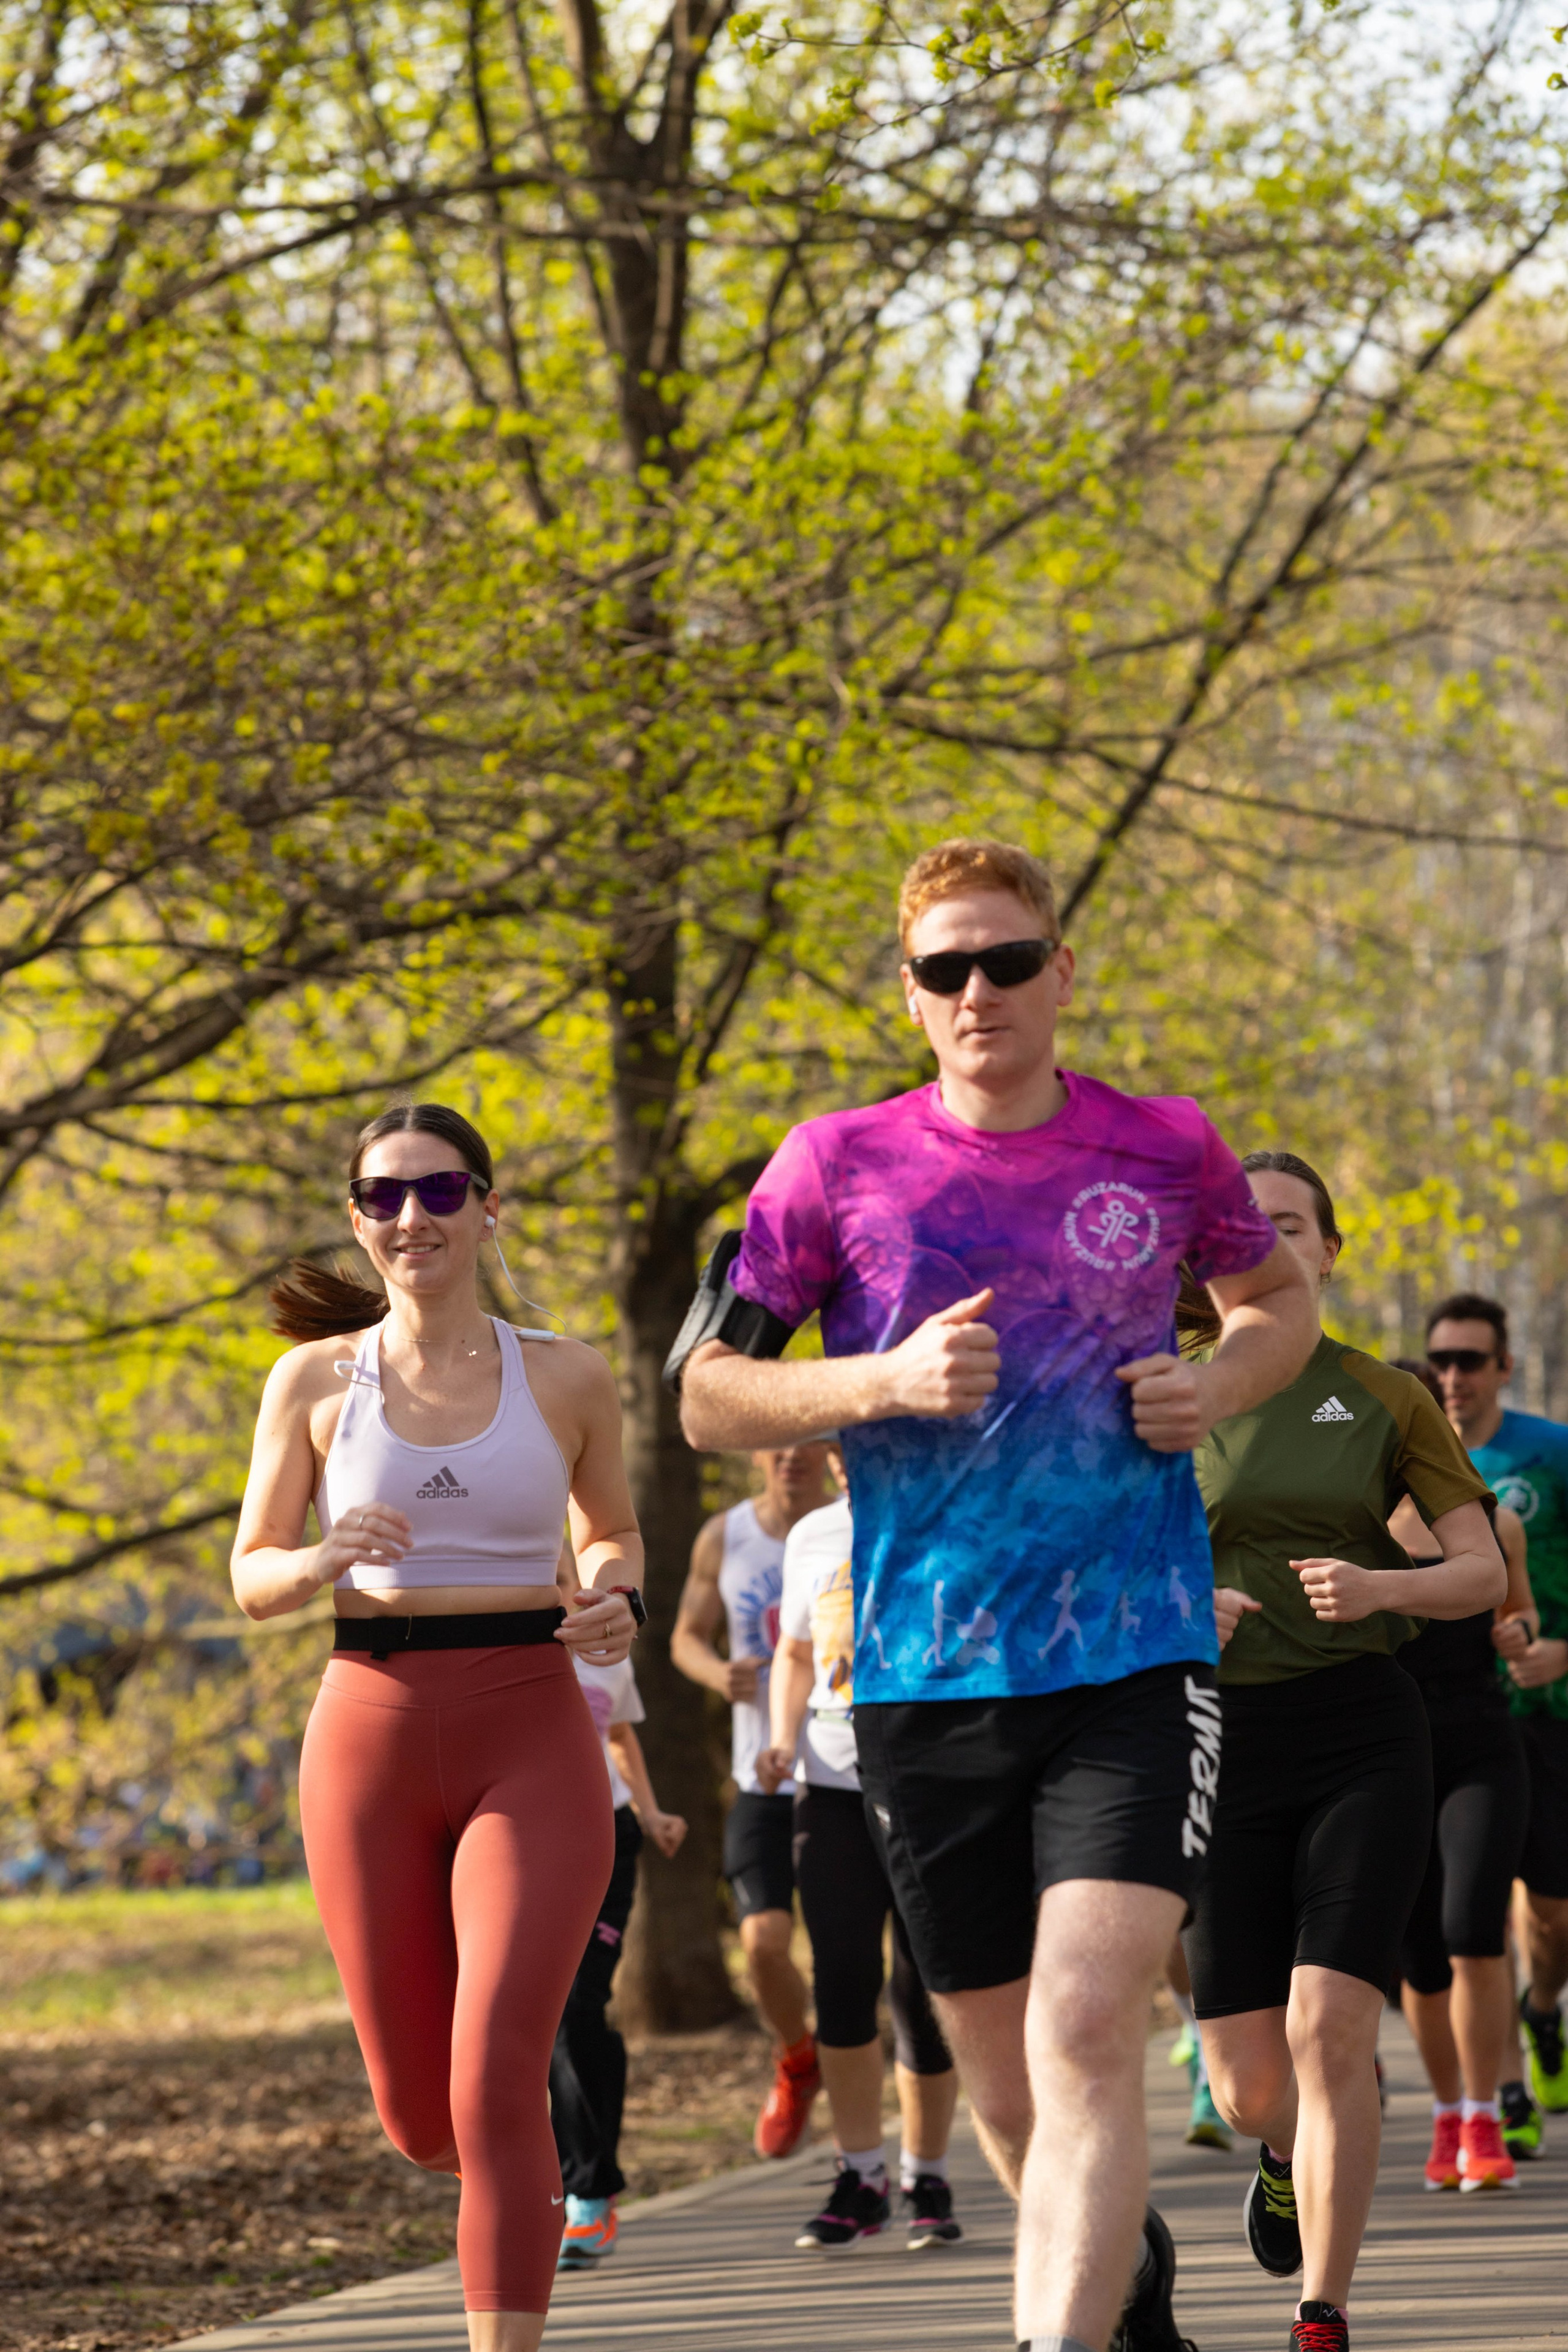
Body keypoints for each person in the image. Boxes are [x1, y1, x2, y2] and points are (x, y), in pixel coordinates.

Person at [674, 835, 1319, 2352]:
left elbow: (1274, 1300)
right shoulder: (829, 1162)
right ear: (909, 996)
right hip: (916, 1676)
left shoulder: (1163, 1145)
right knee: (1011, 2097)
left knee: (1085, 2023)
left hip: (1128, 1655)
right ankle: (1124, 2303)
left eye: (1007, 959)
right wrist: (879, 1378)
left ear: (1059, 972)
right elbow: (706, 1395)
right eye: (943, 967)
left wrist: (1214, 1382)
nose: (979, 990)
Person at [231, 1102, 644, 2352]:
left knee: (496, 2077)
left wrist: (613, 1598)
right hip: (368, 1727)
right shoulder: (312, 1379)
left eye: (440, 1192)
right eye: (383, 1197)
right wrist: (317, 1562)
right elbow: (249, 1572)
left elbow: (611, 1530)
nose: (412, 1217)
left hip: (530, 1723)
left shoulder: (564, 1372)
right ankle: (491, 2181)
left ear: (486, 1207)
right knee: (424, 2119)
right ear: (358, 1220)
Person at [1183, 1154, 1503, 2352]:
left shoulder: (1378, 1395)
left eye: (1282, 1226)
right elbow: (1088, 1562)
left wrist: (1378, 1585)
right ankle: (1277, 2153)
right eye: (1236, 1226)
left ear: (1323, 1251)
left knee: (1330, 2028)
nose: (1258, 1243)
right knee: (1248, 2087)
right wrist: (1178, 1602)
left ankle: (1321, 2310)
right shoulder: (1160, 1392)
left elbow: (1475, 1570)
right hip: (1218, 1738)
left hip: (1358, 1730)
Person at [755, 1452, 963, 2252]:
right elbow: (797, 1654)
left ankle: (928, 2173)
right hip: (829, 1785)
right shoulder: (812, 1535)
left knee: (923, 1988)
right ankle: (860, 2174)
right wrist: (779, 1740)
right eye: (843, 1451)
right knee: (841, 1979)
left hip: (925, 1785)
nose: (850, 1465)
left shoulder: (946, 1512)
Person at [1385, 1359, 1534, 2193]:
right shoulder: (1349, 1522)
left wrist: (1518, 1634)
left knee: (1474, 1927)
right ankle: (1448, 2116)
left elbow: (1519, 1613)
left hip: (1481, 1743)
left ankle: (1485, 2116)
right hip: (1390, 1755)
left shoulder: (1488, 1518)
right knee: (1420, 1957)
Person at [1425, 1293, 1568, 2132]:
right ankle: (1504, 2091)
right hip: (1454, 1720)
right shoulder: (1397, 1456)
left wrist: (1563, 1650)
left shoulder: (1550, 1453)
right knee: (1469, 1914)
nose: (1451, 1377)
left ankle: (1542, 2007)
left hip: (1547, 1708)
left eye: (1470, 1361)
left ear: (1503, 1368)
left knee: (1551, 1915)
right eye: (1439, 1360)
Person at [672, 1444, 834, 2157]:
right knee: (762, 1943)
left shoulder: (849, 1526)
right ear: (757, 1454)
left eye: (806, 1446)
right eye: (778, 1447)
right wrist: (718, 1673)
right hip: (760, 1775)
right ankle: (798, 2058)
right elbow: (683, 1637)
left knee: (849, 1955)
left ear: (829, 1454)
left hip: (840, 1773)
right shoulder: (726, 1536)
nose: (791, 1458)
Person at [554, 1641, 687, 2270]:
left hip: (610, 1838)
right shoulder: (502, 1636)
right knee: (563, 2019)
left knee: (577, 2007)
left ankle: (586, 2192)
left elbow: (620, 1737)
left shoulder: (604, 1646)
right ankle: (578, 2184)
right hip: (530, 1841)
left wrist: (651, 1809)